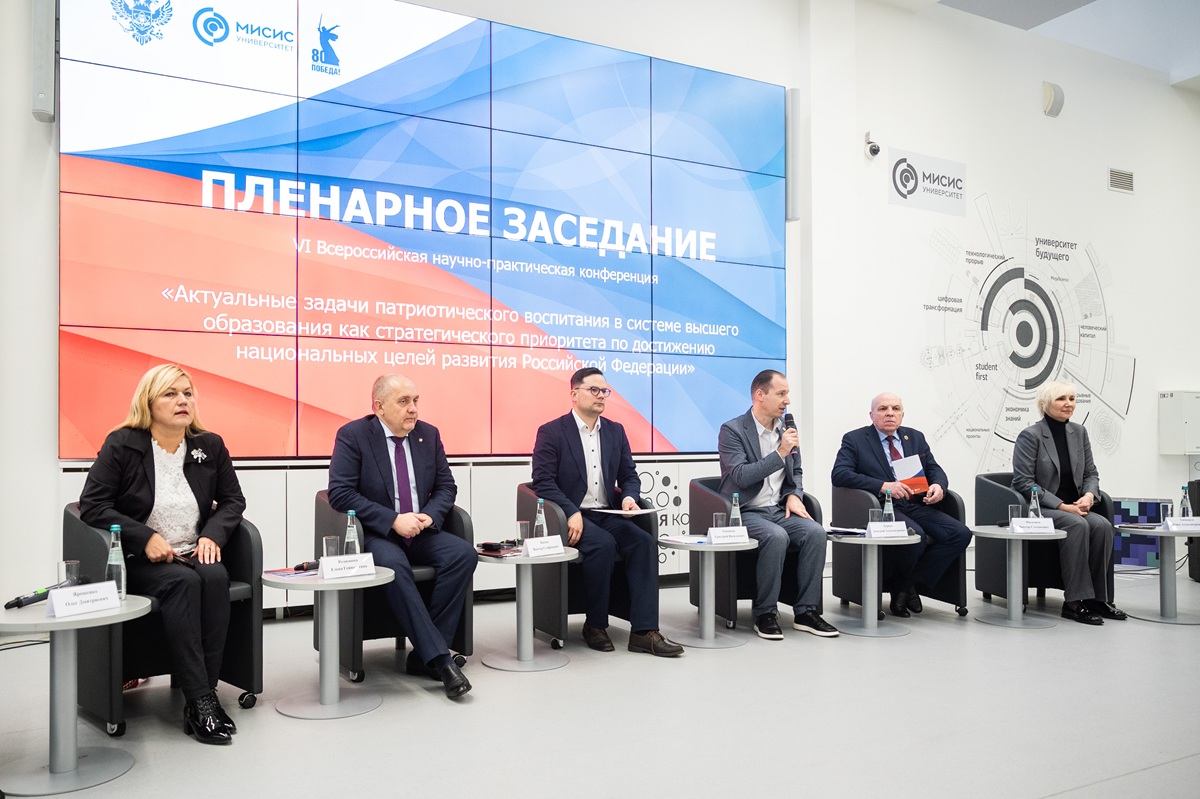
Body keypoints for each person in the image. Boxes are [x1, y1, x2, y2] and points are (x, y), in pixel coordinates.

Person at [79, 364, 245, 745]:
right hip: (139, 559)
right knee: (183, 583)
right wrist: (144, 537)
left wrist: (212, 535)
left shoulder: (209, 445)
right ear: (148, 402)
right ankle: (201, 701)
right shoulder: (123, 444)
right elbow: (93, 505)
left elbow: (233, 500)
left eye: (187, 393)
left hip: (192, 549)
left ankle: (204, 694)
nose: (182, 400)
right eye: (170, 394)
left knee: (215, 577)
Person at [327, 374, 477, 698]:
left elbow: (446, 486)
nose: (413, 409)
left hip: (420, 530)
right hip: (377, 533)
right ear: (379, 407)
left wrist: (431, 515)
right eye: (404, 401)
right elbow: (339, 493)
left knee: (463, 554)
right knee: (394, 566)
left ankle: (423, 655)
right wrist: (392, 520)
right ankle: (440, 660)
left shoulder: (428, 435)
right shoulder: (354, 436)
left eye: (416, 401)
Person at [531, 367, 683, 657]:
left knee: (642, 542)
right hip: (571, 516)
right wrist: (570, 510)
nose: (601, 395)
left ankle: (644, 632)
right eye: (594, 390)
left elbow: (629, 475)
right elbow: (543, 481)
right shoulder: (552, 432)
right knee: (603, 545)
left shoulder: (615, 431)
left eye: (605, 391)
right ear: (574, 394)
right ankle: (595, 625)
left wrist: (628, 498)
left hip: (608, 513)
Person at [718, 370, 838, 639]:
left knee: (816, 533)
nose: (788, 401)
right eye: (781, 394)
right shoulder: (732, 430)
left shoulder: (786, 430)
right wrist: (781, 451)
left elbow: (797, 471)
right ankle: (765, 613)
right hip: (744, 511)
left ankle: (806, 611)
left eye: (788, 394)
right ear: (760, 395)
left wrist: (794, 494)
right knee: (776, 536)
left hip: (779, 509)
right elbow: (740, 476)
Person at [831, 392, 972, 618]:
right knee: (915, 537)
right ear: (872, 415)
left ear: (902, 414)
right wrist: (882, 486)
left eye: (895, 409)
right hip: (881, 507)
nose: (890, 413)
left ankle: (906, 586)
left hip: (916, 504)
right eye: (883, 409)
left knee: (960, 534)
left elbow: (934, 468)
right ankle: (905, 589)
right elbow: (840, 474)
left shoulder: (914, 437)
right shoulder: (855, 439)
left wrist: (938, 486)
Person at [1011, 381, 1126, 625]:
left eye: (1072, 399)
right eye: (1061, 399)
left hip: (1075, 506)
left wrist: (1089, 496)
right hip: (1041, 509)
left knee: (1102, 526)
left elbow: (1091, 473)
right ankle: (1073, 603)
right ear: (1045, 404)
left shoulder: (1079, 432)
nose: (1069, 404)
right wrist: (1062, 506)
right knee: (1077, 524)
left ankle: (1096, 599)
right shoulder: (1030, 436)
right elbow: (1023, 482)